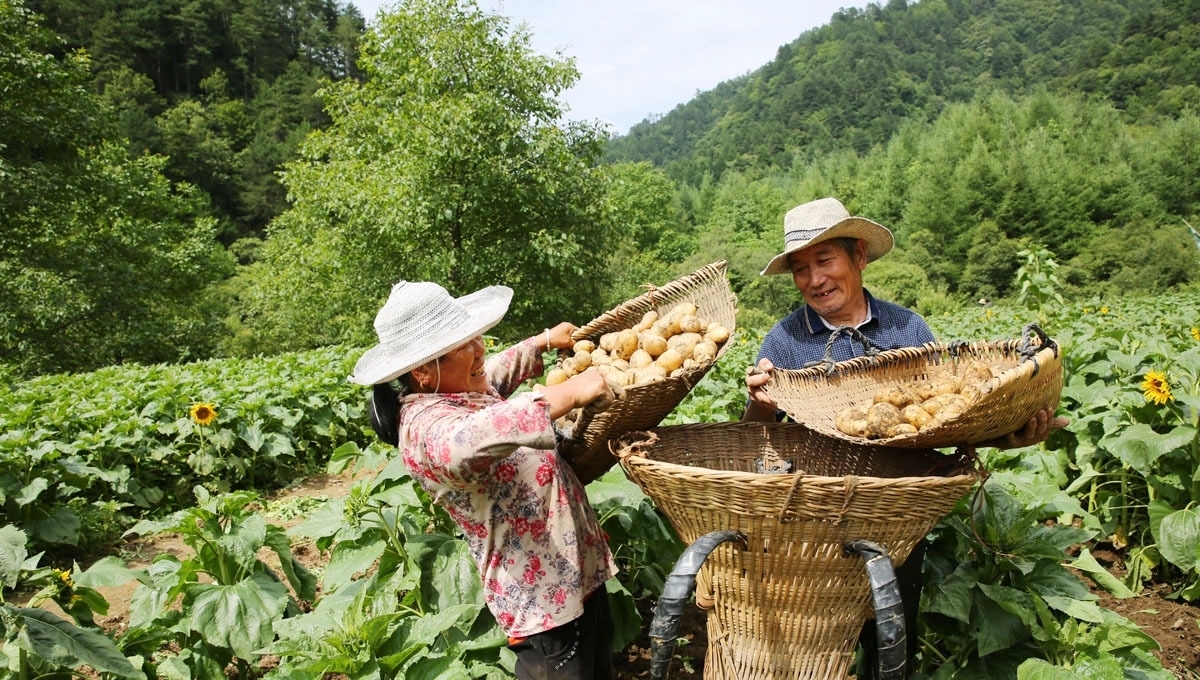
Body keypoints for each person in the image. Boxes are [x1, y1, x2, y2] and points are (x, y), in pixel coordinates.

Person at [742, 197, 1068, 677]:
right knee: (810, 642)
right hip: (817, 515)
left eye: (825, 261)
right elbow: (755, 441)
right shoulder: (784, 340)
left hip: (898, 511)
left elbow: (941, 424)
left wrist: (1006, 437)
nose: (814, 280)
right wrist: (761, 405)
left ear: (859, 255)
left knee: (891, 640)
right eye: (801, 269)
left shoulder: (907, 329)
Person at [350, 280, 620, 680]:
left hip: (576, 575)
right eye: (463, 346)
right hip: (542, 601)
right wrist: (569, 393)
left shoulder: (459, 388)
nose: (480, 350)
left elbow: (493, 371)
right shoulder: (425, 429)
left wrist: (542, 342)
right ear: (423, 371)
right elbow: (472, 439)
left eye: (476, 336)